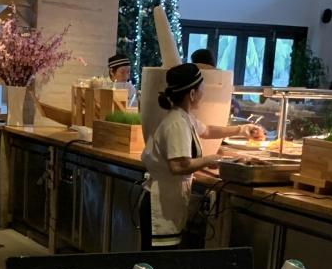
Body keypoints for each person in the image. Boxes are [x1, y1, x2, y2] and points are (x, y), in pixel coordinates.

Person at [140, 62, 261, 249]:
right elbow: (178, 166)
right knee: (157, 263)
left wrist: (242, 129)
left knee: (161, 262)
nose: (204, 91)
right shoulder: (177, 124)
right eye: (202, 86)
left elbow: (208, 130)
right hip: (160, 205)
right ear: (192, 94)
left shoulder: (183, 117)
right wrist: (211, 160)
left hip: (168, 201)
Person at [30, 52, 134, 127]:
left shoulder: (130, 88)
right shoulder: (99, 84)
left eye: (128, 72)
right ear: (111, 71)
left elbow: (132, 109)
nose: (126, 76)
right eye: (122, 72)